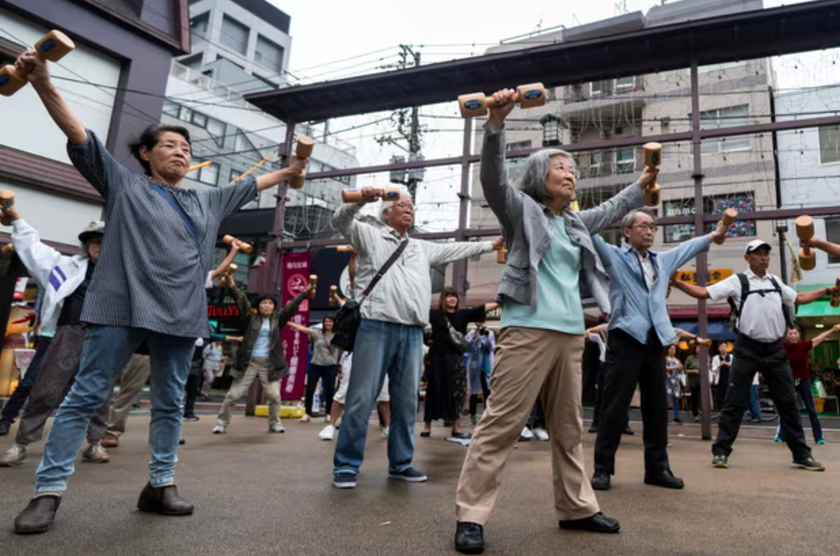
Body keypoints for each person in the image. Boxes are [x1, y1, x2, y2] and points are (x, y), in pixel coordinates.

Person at [9, 47, 307, 535]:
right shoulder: (125, 187)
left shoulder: (208, 200)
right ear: (146, 154)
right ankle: (48, 491)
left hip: (181, 313)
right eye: (169, 144)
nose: (181, 151)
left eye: (186, 147)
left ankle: (160, 484)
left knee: (169, 402)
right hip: (120, 306)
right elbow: (79, 134)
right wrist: (42, 79)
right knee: (85, 398)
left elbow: (268, 181)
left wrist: (293, 169)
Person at [454, 88, 653, 555]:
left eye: (573, 171)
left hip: (569, 334)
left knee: (568, 428)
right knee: (502, 422)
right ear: (540, 177)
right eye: (562, 169)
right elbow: (492, 181)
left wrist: (641, 183)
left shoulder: (575, 222)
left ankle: (577, 508)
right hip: (526, 327)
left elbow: (610, 210)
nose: (571, 176)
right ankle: (472, 515)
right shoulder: (521, 209)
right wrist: (496, 125)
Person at [331, 188, 500, 490]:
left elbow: (456, 249)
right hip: (375, 326)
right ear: (386, 213)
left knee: (407, 402)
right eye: (402, 205)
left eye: (412, 206)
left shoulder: (421, 247)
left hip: (412, 331)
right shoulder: (370, 235)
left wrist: (490, 244)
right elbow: (340, 221)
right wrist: (360, 200)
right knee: (360, 398)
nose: (409, 209)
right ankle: (346, 465)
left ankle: (401, 463)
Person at [589, 207, 726, 493]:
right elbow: (590, 234)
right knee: (613, 406)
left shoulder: (662, 261)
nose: (650, 230)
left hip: (655, 340)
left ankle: (657, 468)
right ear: (627, 232)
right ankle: (602, 468)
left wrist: (714, 234)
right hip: (625, 337)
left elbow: (688, 247)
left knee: (656, 409)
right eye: (643, 226)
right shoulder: (614, 256)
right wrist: (568, 209)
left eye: (653, 226)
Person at [671, 239, 831, 472]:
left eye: (766, 253)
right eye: (757, 253)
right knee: (734, 402)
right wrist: (676, 283)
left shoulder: (776, 281)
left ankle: (801, 455)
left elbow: (798, 298)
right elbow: (705, 293)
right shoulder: (738, 281)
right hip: (747, 349)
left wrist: (827, 291)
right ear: (747, 258)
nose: (763, 257)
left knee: (788, 403)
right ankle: (721, 452)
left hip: (776, 350)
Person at [0, 209, 108, 467]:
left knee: (100, 394)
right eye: (95, 242)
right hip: (67, 333)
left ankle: (95, 443)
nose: (100, 248)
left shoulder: (124, 275)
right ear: (87, 246)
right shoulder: (67, 266)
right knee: (46, 389)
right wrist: (16, 219)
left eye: (106, 243)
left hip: (104, 337)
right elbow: (34, 249)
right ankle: (21, 444)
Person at [101, 248, 242, 445]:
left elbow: (218, 271)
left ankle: (169, 432)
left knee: (171, 391)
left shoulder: (193, 278)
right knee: (130, 388)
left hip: (173, 343)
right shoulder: (151, 273)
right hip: (144, 342)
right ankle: (112, 432)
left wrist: (234, 250)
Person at [212, 275, 312, 434]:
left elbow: (292, 306)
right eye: (264, 303)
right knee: (233, 395)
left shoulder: (278, 320)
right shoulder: (250, 318)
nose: (267, 305)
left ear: (274, 307)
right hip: (248, 362)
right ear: (258, 306)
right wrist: (231, 284)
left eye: (270, 303)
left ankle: (274, 423)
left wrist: (305, 292)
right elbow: (241, 300)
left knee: (274, 396)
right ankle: (221, 423)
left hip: (270, 363)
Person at [422, 289, 497, 439]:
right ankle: (427, 426)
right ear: (443, 299)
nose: (452, 299)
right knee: (433, 390)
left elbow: (482, 308)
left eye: (454, 296)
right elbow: (418, 306)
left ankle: (455, 427)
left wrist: (501, 302)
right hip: (437, 358)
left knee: (457, 392)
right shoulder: (435, 314)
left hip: (455, 359)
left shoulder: (463, 314)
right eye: (449, 296)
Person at [775, 326, 835, 444]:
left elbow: (820, 337)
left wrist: (833, 329)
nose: (793, 336)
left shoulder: (804, 345)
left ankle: (819, 437)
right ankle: (781, 435)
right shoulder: (783, 347)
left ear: (799, 335)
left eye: (795, 333)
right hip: (789, 381)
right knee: (786, 408)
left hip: (804, 380)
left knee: (811, 409)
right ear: (786, 336)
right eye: (790, 334)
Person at [288, 316, 341, 423]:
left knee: (329, 391)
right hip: (316, 364)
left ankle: (328, 414)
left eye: (330, 321)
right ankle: (307, 413)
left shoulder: (338, 335)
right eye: (326, 321)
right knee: (310, 389)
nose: (328, 323)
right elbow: (300, 327)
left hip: (331, 366)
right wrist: (286, 322)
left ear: (334, 323)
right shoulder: (317, 333)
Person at [183, 334, 241, 421]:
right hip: (183, 364)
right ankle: (176, 412)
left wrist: (237, 338)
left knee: (193, 390)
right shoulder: (186, 333)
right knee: (178, 389)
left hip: (196, 366)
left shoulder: (204, 337)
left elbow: (219, 337)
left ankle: (189, 412)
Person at [465, 323, 494, 426]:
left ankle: (488, 414)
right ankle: (472, 414)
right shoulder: (471, 334)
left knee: (487, 390)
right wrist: (474, 338)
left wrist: (483, 337)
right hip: (474, 366)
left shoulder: (489, 333)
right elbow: (467, 348)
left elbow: (491, 347)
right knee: (473, 391)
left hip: (486, 366)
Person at [683, 344, 705, 423]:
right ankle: (695, 415)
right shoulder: (690, 358)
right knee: (694, 399)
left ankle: (704, 414)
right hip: (693, 382)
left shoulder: (704, 357)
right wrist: (693, 371)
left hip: (702, 381)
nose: (699, 349)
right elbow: (685, 370)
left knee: (703, 399)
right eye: (698, 347)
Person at [665, 345, 684, 425]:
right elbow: (666, 368)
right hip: (668, 381)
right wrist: (676, 367)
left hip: (676, 382)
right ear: (668, 350)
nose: (672, 350)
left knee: (676, 399)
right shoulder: (665, 359)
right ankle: (664, 417)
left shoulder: (678, 360)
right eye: (671, 348)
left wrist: (679, 367)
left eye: (674, 349)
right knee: (667, 399)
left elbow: (681, 368)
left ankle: (676, 417)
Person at [711, 343, 733, 411]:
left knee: (729, 394)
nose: (723, 348)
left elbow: (734, 367)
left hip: (729, 379)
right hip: (720, 379)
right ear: (718, 349)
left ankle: (729, 408)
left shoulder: (731, 356)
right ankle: (720, 409)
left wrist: (726, 363)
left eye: (725, 347)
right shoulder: (715, 358)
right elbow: (713, 370)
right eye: (721, 347)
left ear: (727, 349)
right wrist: (720, 365)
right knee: (720, 395)